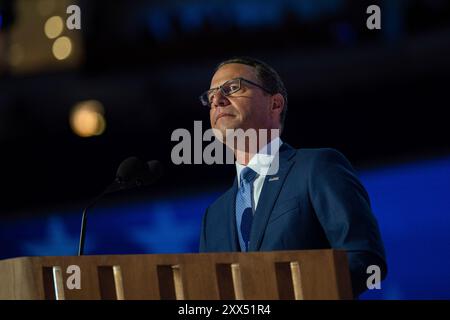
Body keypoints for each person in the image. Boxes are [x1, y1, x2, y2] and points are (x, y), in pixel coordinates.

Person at [198, 57, 387, 298]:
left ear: (275, 104)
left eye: (232, 88)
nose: (217, 101)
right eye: (211, 96)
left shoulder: (316, 167)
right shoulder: (213, 215)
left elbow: (364, 258)